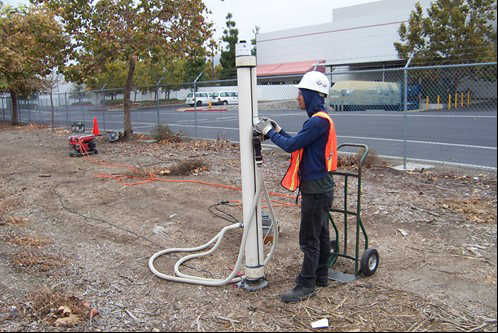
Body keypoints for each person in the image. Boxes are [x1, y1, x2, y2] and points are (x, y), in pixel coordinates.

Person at [255, 71, 337, 303]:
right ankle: (321, 276)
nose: (298, 96)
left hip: (315, 189)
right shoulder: (320, 120)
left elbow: (291, 147)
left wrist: (269, 132)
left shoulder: (317, 122)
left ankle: (306, 285)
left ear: (312, 95)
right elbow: (298, 142)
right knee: (320, 235)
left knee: (308, 240)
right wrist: (279, 131)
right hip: (322, 188)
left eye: (301, 92)